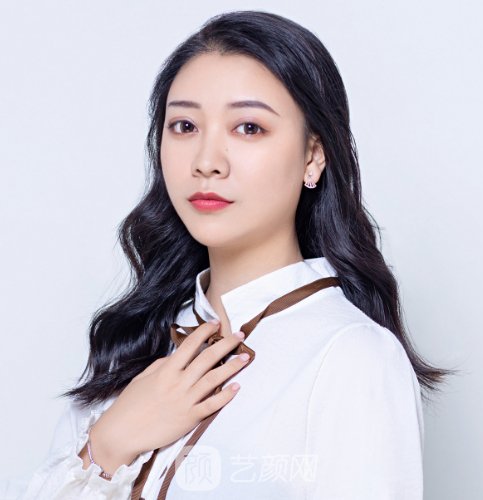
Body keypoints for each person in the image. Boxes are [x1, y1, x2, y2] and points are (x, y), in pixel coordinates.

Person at [20, 10, 454, 500]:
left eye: (248, 128)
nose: (206, 161)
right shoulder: (131, 348)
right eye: (184, 125)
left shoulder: (350, 358)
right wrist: (108, 444)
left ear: (313, 155)